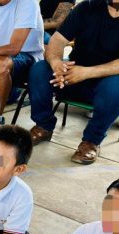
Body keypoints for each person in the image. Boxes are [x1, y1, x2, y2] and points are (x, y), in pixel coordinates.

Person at [27, 0, 119, 165]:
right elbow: (57, 40)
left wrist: (86, 72)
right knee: (40, 70)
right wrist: (57, 64)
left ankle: (91, 141)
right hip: (72, 77)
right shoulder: (87, 7)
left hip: (106, 84)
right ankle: (44, 125)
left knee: (116, 86)